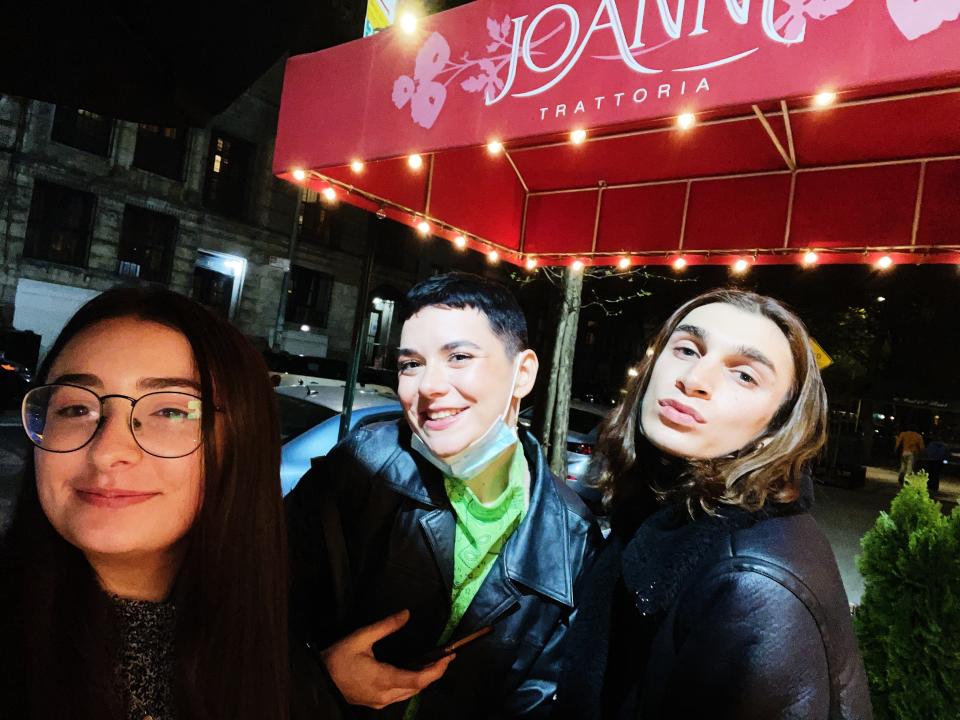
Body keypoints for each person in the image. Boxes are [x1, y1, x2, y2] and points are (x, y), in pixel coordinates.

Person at [287, 272, 600, 718]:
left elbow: (542, 697)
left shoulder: (572, 538)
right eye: (411, 364)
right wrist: (320, 678)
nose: (429, 386)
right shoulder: (363, 466)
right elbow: (254, 598)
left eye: (459, 357)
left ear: (523, 372)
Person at [555, 288, 872, 719]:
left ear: (777, 425)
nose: (694, 380)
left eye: (745, 375)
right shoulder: (658, 508)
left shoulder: (752, 584)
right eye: (686, 349)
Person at [0, 288, 298, 720]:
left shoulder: (276, 664)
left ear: (243, 444)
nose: (107, 451)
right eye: (76, 408)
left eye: (172, 412)